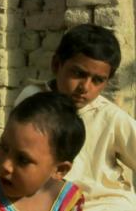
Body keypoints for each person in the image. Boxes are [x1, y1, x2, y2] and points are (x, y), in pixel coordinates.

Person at [14, 23, 136, 210]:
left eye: (97, 80)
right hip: (47, 201)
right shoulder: (32, 98)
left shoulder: (110, 117)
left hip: (99, 201)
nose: (85, 87)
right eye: (78, 73)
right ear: (57, 65)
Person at [0, 92, 86, 211]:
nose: (5, 165)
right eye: (4, 147)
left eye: (23, 159)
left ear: (60, 169)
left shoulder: (69, 201)